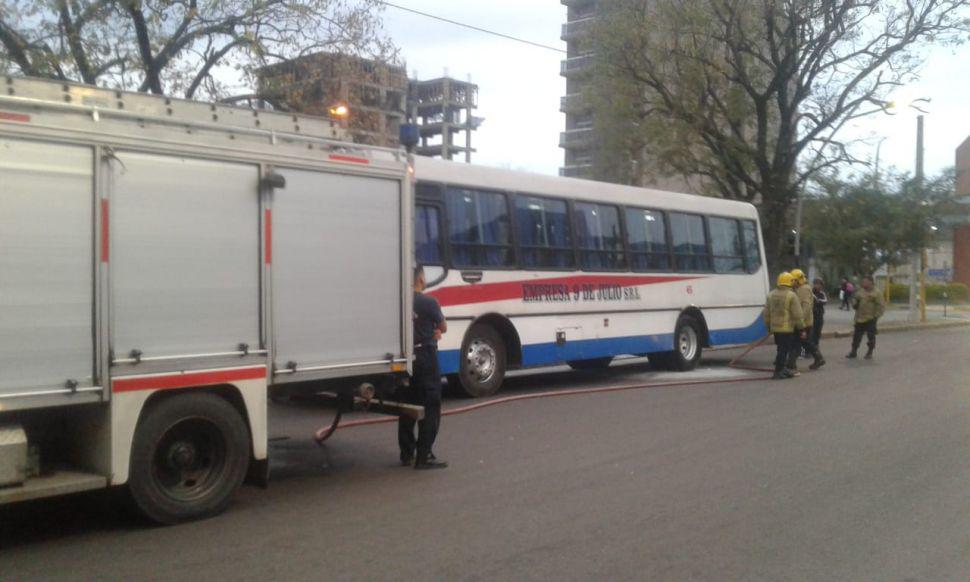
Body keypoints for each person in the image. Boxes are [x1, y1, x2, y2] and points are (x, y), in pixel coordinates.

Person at [399, 265, 448, 469]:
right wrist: (434, 332)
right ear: (420, 279)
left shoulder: (401, 300)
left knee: (408, 405)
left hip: (406, 358)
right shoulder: (429, 302)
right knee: (431, 404)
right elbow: (443, 326)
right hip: (426, 356)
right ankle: (424, 455)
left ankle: (406, 454)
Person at [764, 272, 805, 380]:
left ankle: (782, 368)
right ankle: (778, 371)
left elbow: (766, 313)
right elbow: (798, 314)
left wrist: (768, 327)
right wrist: (802, 328)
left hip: (775, 328)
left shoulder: (771, 294)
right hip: (786, 328)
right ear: (790, 282)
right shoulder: (791, 295)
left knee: (780, 349)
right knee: (784, 350)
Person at [787, 269, 825, 373]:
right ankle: (817, 359)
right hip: (800, 322)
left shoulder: (804, 289)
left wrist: (800, 321)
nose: (791, 282)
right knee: (802, 342)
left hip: (804, 323)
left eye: (793, 280)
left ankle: (791, 364)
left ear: (798, 280)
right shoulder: (798, 289)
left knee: (799, 343)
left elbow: (806, 306)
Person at [847, 275, 886, 360]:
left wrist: (876, 316)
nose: (863, 283)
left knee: (871, 336)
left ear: (871, 282)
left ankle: (870, 352)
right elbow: (855, 299)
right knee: (856, 336)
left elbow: (881, 306)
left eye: (865, 281)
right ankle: (853, 351)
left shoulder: (877, 293)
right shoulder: (860, 291)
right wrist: (854, 303)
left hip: (870, 318)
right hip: (859, 318)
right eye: (863, 281)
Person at [811, 278, 828, 350]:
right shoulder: (810, 292)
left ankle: (815, 348)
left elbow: (825, 301)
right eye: (816, 284)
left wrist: (819, 301)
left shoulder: (822, 293)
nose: (817, 285)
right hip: (811, 316)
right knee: (811, 334)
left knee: (817, 333)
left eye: (819, 284)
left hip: (819, 316)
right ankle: (807, 351)